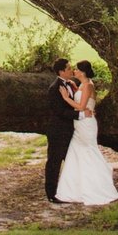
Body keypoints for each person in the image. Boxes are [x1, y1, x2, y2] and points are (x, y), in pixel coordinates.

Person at [54, 60, 118, 206]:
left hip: (86, 124)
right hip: (79, 124)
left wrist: (66, 98)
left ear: (82, 72)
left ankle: (97, 187)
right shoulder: (81, 85)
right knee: (76, 153)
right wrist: (73, 87)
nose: (74, 71)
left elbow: (81, 106)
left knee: (88, 152)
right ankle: (74, 190)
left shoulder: (88, 85)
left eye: (76, 70)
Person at [42, 58, 81, 204]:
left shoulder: (70, 84)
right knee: (54, 162)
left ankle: (70, 190)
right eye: (69, 68)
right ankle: (52, 194)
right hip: (58, 132)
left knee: (71, 161)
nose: (71, 70)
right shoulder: (54, 88)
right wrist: (80, 115)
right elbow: (60, 111)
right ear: (61, 71)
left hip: (69, 131)